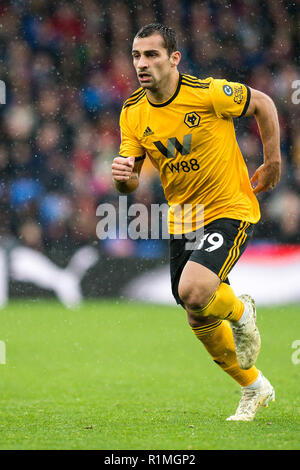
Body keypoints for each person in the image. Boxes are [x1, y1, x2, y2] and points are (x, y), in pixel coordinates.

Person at [112, 23, 281, 421]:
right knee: (196, 310)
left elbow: (265, 104)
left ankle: (240, 312)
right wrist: (123, 179)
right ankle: (253, 386)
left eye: (151, 54)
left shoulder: (207, 93)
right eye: (136, 55)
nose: (142, 63)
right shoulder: (133, 112)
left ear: (174, 59)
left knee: (194, 289)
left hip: (229, 207)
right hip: (183, 216)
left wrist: (273, 161)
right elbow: (130, 180)